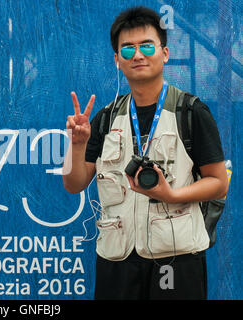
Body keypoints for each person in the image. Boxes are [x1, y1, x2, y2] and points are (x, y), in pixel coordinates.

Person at [62, 6, 228, 300]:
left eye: (146, 46)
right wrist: (75, 145)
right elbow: (74, 184)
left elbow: (218, 182)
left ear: (164, 53)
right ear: (117, 60)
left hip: (176, 259)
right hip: (117, 259)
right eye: (127, 50)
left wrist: (172, 196)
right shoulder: (105, 118)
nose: (137, 55)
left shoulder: (190, 111)